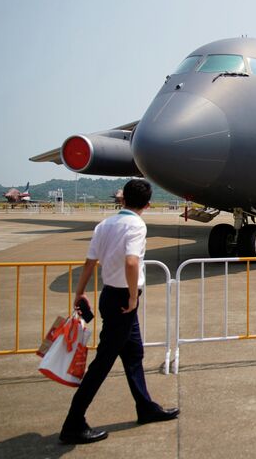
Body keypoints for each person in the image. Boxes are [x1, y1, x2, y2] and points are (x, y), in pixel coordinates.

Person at [59, 179, 179, 445]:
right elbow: (131, 261)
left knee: (134, 353)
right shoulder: (136, 225)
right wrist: (134, 297)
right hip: (124, 300)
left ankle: (145, 407)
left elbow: (90, 262)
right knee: (103, 362)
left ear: (122, 199)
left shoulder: (105, 224)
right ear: (148, 204)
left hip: (109, 296)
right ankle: (73, 423)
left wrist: (79, 292)